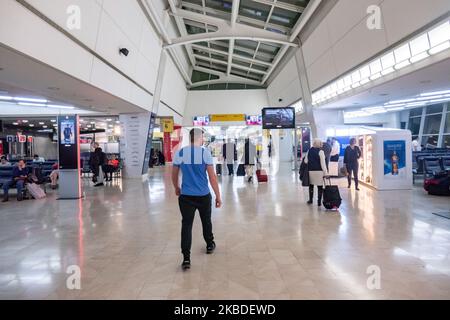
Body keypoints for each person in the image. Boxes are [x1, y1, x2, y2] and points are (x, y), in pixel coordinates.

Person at [172, 128, 222, 270]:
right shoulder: (204, 153)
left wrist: (176, 187)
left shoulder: (180, 153)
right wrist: (218, 195)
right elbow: (212, 177)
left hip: (186, 196)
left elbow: (174, 174)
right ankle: (209, 244)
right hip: (203, 195)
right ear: (200, 138)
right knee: (206, 221)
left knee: (186, 225)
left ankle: (186, 258)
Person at [303, 139, 329, 206]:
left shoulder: (309, 151)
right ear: (320, 144)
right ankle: (319, 202)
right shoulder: (321, 152)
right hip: (319, 172)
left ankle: (310, 200)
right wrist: (326, 173)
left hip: (311, 171)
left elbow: (305, 161)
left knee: (311, 186)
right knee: (319, 187)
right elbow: (323, 164)